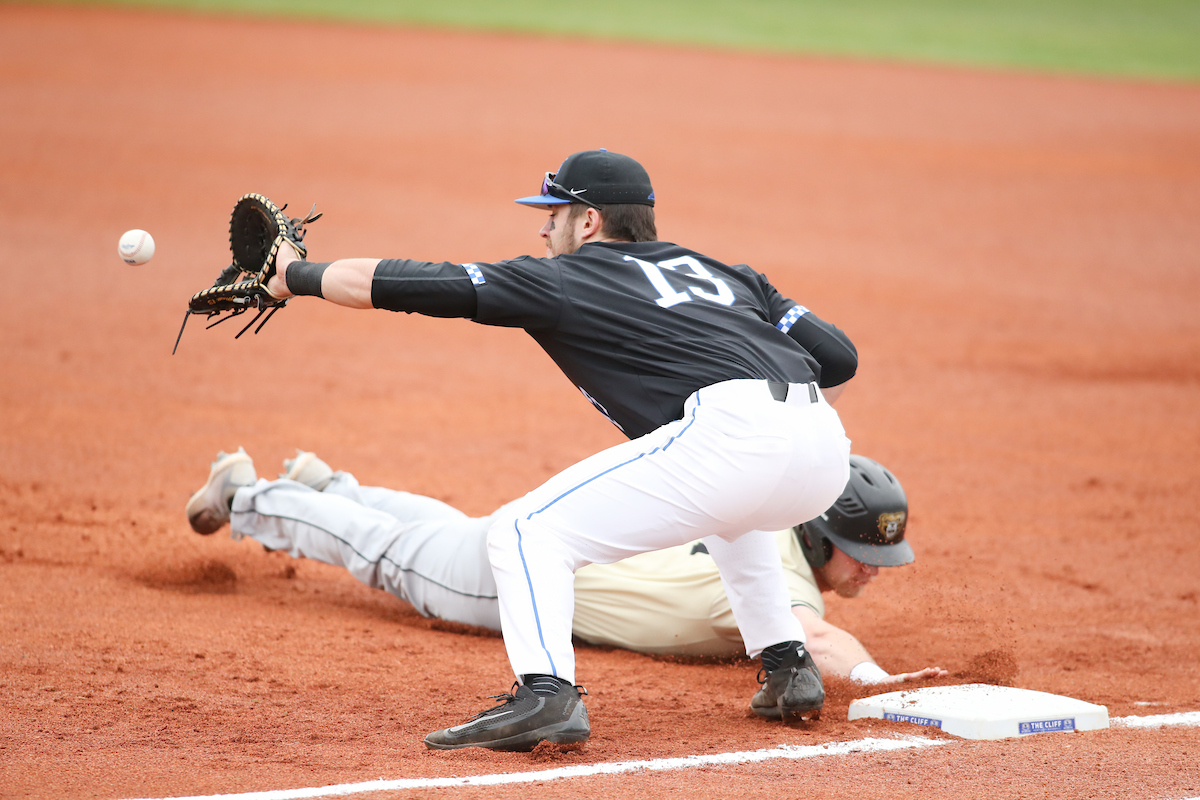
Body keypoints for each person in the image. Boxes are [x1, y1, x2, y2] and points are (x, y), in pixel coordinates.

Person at [205, 149, 861, 751]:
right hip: (823, 451)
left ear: (590, 220)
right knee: (734, 513)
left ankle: (546, 695)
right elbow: (837, 358)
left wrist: (294, 275)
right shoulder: (731, 275)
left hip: (733, 435)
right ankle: (788, 669)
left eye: (554, 216)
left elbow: (410, 284)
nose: (544, 232)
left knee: (528, 531)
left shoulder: (564, 282)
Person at [186, 449, 947, 686]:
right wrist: (879, 684)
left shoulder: (750, 518)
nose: (877, 569)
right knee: (392, 560)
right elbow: (812, 641)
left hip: (533, 539)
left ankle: (334, 487)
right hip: (518, 585)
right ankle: (250, 496)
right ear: (818, 534)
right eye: (866, 553)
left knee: (449, 530)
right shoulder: (773, 581)